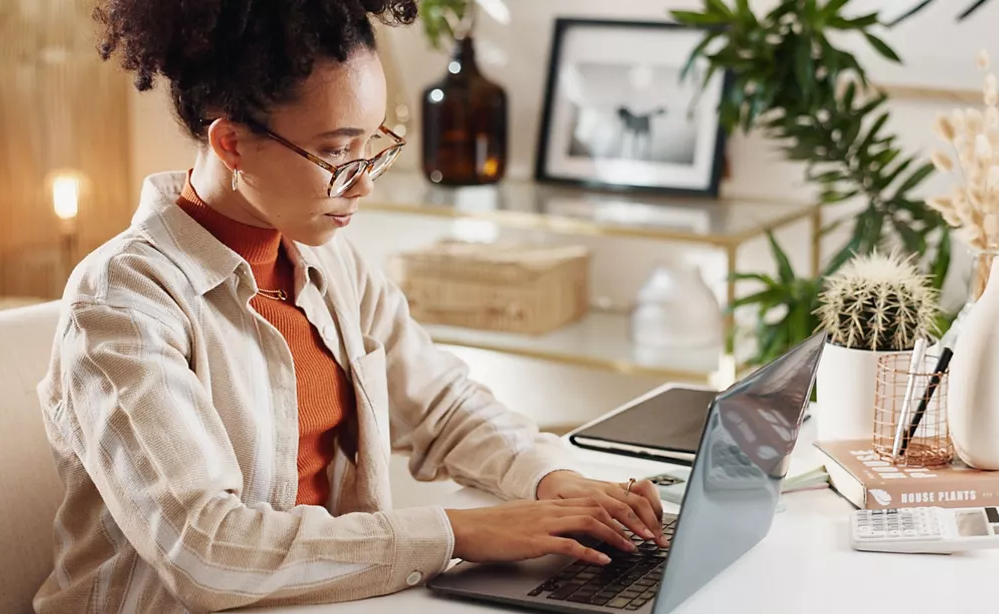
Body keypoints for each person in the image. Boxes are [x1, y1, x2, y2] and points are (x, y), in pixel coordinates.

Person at [34, 1, 667, 611]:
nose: (363, 181)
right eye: (337, 151)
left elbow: (443, 407)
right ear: (231, 144)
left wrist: (555, 481)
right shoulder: (122, 301)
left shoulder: (328, 260)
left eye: (372, 144)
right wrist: (460, 532)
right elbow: (206, 550)